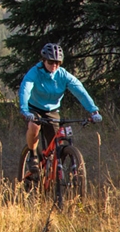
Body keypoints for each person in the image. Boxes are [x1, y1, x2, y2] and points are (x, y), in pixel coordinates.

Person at [19, 42, 101, 175]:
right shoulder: (35, 72)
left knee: (57, 143)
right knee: (34, 126)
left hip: (52, 111)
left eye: (57, 63)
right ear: (44, 60)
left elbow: (80, 92)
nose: (54, 66)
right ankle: (33, 155)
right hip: (34, 108)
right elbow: (25, 89)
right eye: (51, 62)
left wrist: (93, 110)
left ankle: (52, 169)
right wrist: (24, 110)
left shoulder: (63, 75)